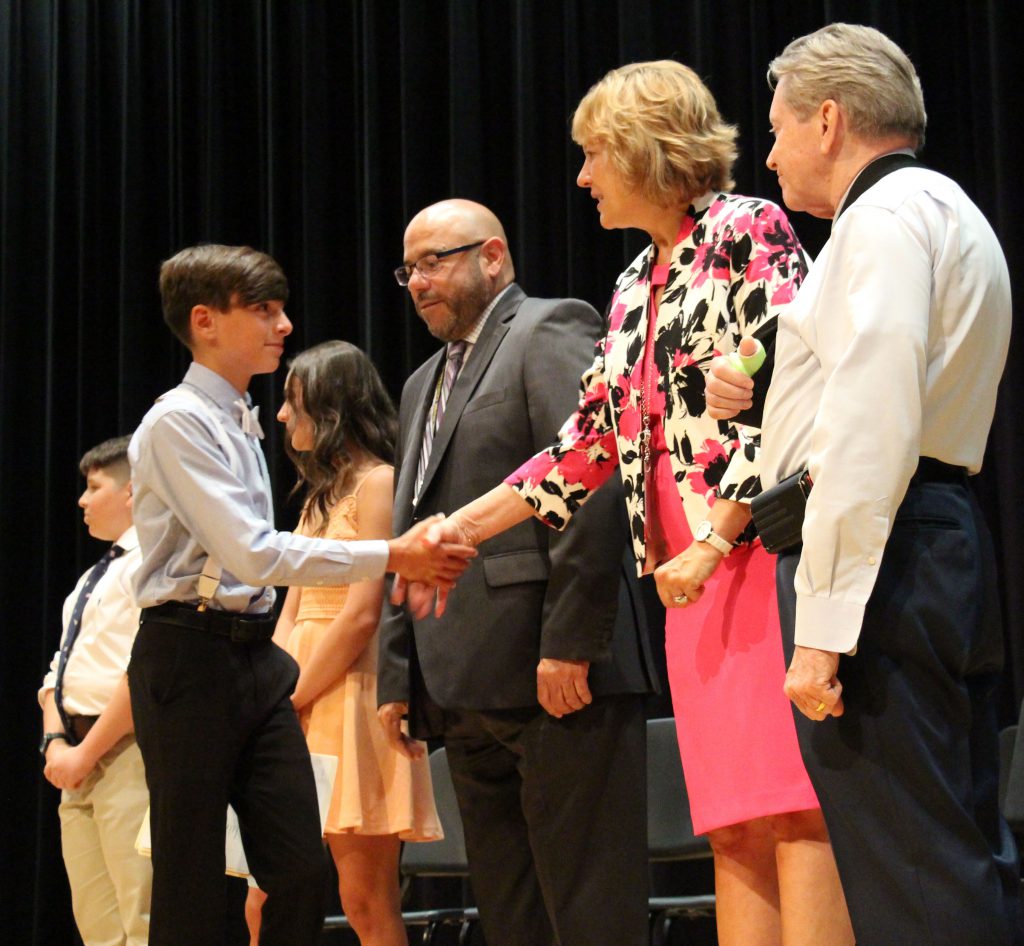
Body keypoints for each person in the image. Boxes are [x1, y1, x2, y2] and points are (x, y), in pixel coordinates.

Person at [412, 64, 854, 945]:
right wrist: (461, 526)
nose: (581, 178)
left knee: (796, 810)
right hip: (687, 583)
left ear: (645, 149)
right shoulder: (630, 286)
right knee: (731, 821)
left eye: (592, 155)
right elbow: (585, 447)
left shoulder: (746, 229)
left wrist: (717, 538)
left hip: (755, 555)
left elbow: (799, 400)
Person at [705, 23, 1022, 945]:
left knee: (910, 870)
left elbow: (872, 425)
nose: (766, 152)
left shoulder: (880, 221)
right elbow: (883, 388)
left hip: (885, 555)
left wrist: (824, 632)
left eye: (774, 129)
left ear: (830, 120)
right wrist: (767, 389)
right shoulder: (942, 210)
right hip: (933, 535)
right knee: (951, 849)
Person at [127, 243, 475, 946]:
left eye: (281, 308)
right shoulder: (178, 421)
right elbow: (252, 552)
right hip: (189, 654)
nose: (284, 325)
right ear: (205, 321)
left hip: (255, 660)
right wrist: (393, 553)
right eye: (263, 310)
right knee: (194, 872)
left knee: (296, 868)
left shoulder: (240, 418)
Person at [377, 199, 657, 946]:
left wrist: (570, 642)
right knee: (510, 915)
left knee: (590, 907)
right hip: (459, 684)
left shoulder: (549, 326)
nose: (417, 281)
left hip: (555, 673)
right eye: (408, 269)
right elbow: (412, 534)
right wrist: (397, 674)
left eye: (434, 261)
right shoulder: (419, 383)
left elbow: (590, 485)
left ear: (492, 255)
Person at [245, 340, 442, 946]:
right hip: (295, 698)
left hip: (346, 700)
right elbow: (292, 608)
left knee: (364, 899)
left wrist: (292, 696)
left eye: (292, 401)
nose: (281, 416)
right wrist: (274, 693)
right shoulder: (318, 495)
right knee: (262, 895)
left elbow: (360, 617)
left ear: (331, 408)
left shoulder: (378, 484)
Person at [39, 435, 151, 946]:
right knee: (98, 926)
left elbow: (143, 673)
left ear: (131, 493)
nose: (82, 500)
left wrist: (86, 752)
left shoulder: (152, 565)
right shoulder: (92, 577)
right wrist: (57, 744)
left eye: (93, 487)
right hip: (78, 761)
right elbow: (58, 673)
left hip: (126, 754)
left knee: (141, 915)